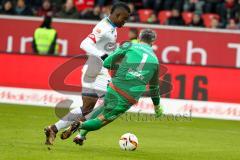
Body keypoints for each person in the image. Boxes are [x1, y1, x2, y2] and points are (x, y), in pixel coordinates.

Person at [44, 2, 130, 145]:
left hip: (92, 69)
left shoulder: (112, 28)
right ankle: (79, 128)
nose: (125, 22)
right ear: (117, 15)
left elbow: (105, 48)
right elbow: (84, 43)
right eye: (124, 19)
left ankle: (54, 128)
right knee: (111, 103)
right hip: (96, 70)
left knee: (86, 108)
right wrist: (102, 55)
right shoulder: (104, 28)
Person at [61, 29, 163, 146]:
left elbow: (107, 63)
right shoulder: (155, 61)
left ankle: (81, 135)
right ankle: (80, 125)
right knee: (104, 119)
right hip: (128, 96)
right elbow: (154, 88)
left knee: (104, 107)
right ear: (153, 42)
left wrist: (120, 69)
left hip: (114, 87)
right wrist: (157, 107)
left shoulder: (128, 46)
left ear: (139, 38)